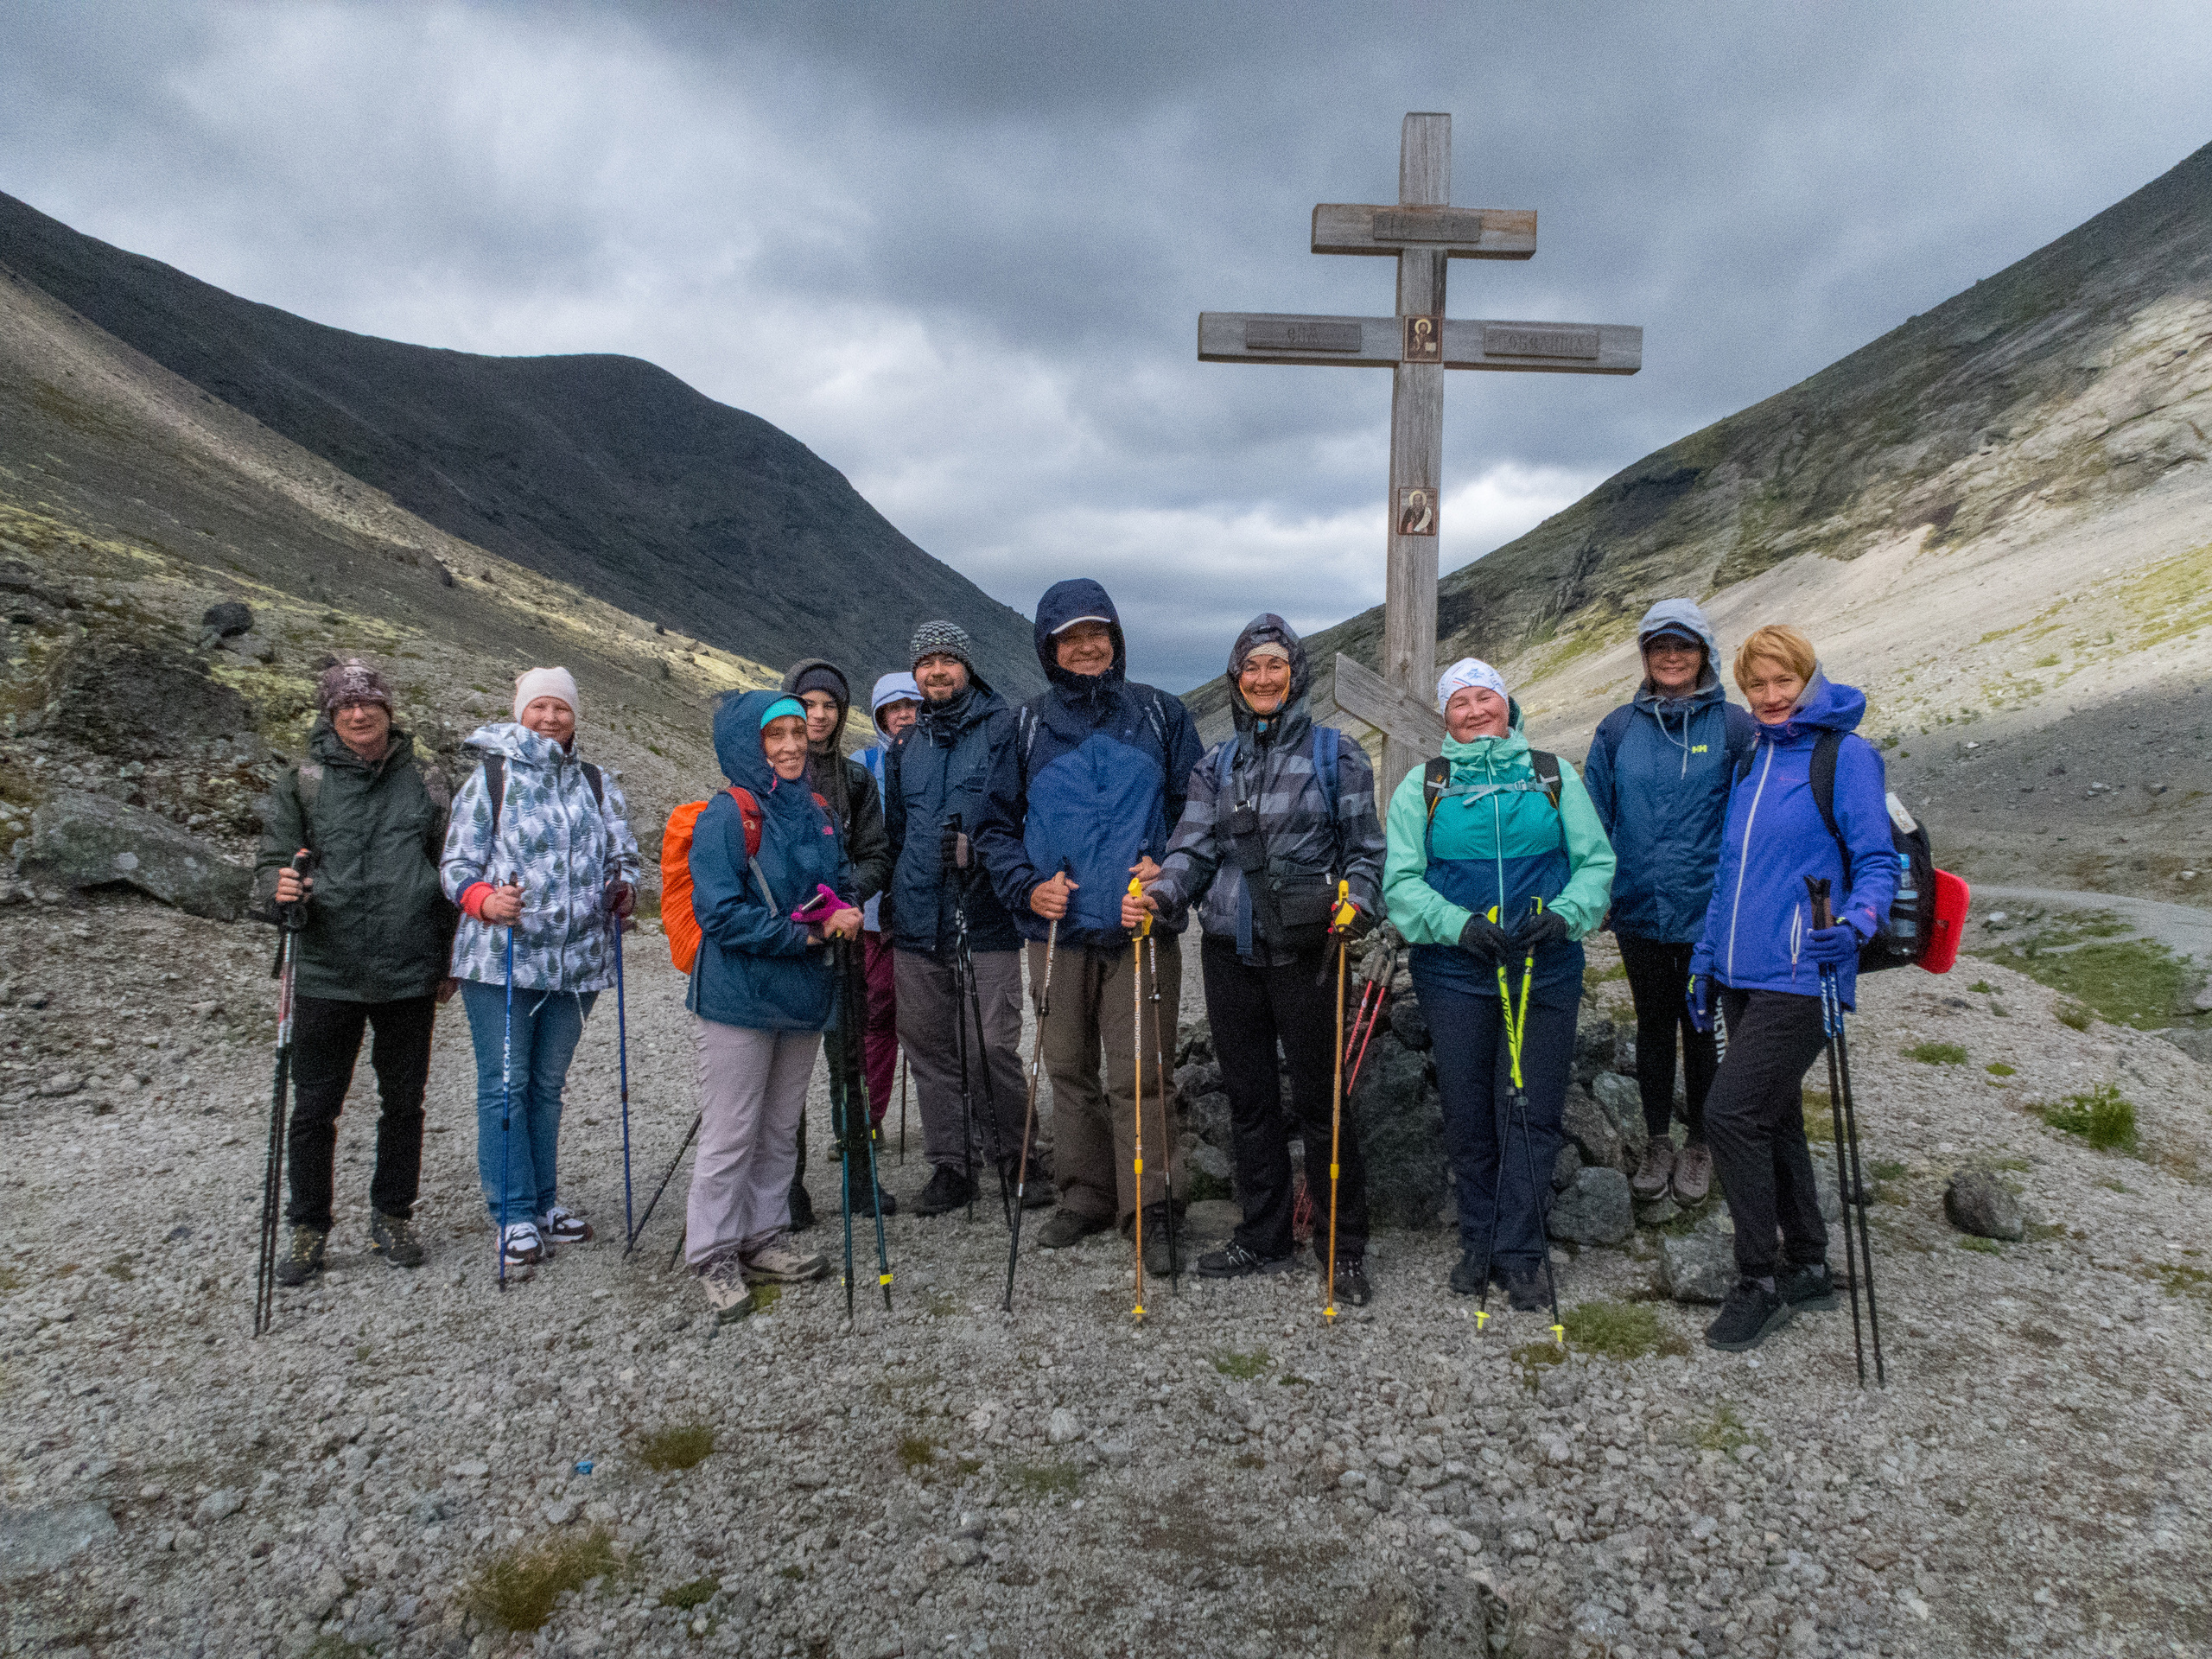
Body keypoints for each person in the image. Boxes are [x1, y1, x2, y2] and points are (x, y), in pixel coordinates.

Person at [1130, 615, 1384, 1300]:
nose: (1263, 679)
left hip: (1311, 952)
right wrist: (1162, 895)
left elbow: (1367, 852)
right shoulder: (1214, 766)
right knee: (1250, 1103)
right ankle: (1264, 1234)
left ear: (1294, 674)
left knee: (1323, 1103)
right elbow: (1191, 850)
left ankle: (1343, 1245)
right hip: (1228, 951)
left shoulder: (1339, 756)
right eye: (1251, 668)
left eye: (1275, 666)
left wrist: (1358, 899)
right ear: (1236, 679)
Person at [977, 579, 1204, 1275]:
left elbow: (1196, 811)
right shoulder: (1024, 727)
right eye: (1069, 637)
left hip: (1141, 928)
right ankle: (1086, 1195)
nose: (1085, 647)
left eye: (1095, 633)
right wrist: (1028, 886)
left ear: (1116, 638)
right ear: (1050, 648)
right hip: (1057, 933)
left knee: (1141, 1073)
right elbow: (994, 828)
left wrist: (1164, 867)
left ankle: (1152, 1205)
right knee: (1069, 1068)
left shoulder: (1163, 716)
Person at [1688, 625, 1896, 1353]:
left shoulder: (1845, 757)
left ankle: (1758, 1280)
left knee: (1729, 1114)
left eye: (1784, 682)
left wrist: (1860, 921)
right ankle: (1807, 1261)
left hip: (1806, 974)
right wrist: (1705, 962)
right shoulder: (1753, 760)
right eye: (1757, 686)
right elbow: (1729, 876)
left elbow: (1876, 860)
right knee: (1773, 1118)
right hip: (1742, 975)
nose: (1771, 697)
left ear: (1809, 680)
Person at [1382, 659, 1615, 1309]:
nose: (1476, 709)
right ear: (1445, 716)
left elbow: (1595, 863)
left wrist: (1565, 914)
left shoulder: (1552, 775)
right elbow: (1400, 882)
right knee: (1467, 1114)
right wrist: (1455, 926)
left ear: (1508, 705)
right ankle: (1480, 1242)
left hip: (1543, 969)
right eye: (1461, 702)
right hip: (1456, 974)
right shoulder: (1422, 787)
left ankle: (1520, 1251)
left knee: (1531, 1110)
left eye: (1487, 697)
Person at [256, 660, 457, 1286]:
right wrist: (277, 889)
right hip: (325, 965)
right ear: (330, 713)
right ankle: (308, 1226)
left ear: (388, 710)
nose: (358, 713)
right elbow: (269, 863)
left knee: (404, 1103)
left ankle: (393, 1215)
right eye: (345, 705)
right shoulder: (303, 782)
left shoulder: (427, 781)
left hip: (407, 968)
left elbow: (451, 869)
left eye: (369, 703)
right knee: (314, 1105)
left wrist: (450, 958)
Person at [442, 667, 641, 1271]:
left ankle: (544, 1203)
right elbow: (455, 866)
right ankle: (513, 1212)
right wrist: (483, 900)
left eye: (562, 709)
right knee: (506, 1086)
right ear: (520, 712)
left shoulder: (597, 783)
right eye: (541, 708)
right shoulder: (490, 779)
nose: (551, 719)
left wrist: (622, 889)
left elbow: (626, 857)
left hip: (577, 965)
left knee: (547, 1087)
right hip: (498, 960)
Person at [682, 690, 859, 1319]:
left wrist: (843, 906)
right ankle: (714, 1252)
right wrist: (806, 934)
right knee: (731, 1131)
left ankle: (763, 1235)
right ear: (746, 744)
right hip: (739, 996)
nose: (790, 745)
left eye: (795, 732)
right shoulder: (728, 814)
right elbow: (719, 913)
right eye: (773, 735)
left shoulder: (814, 808)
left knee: (780, 1126)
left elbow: (836, 879)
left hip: (800, 992)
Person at [1581, 600, 1756, 1207]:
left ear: (1704, 652)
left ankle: (1703, 1143)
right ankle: (1659, 1139)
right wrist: (1594, 888)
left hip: (1709, 911)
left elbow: (1749, 820)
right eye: (1660, 647)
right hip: (1638, 909)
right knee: (1654, 1023)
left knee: (1701, 1025)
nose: (1672, 656)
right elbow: (1592, 817)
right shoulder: (1617, 729)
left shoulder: (1736, 728)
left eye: (1684, 646)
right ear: (1646, 656)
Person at [880, 621, 1028, 1217]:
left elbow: (1024, 821)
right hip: (917, 920)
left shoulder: (1004, 731)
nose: (936, 670)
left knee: (990, 1045)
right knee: (929, 1048)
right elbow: (895, 836)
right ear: (915, 672)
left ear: (967, 665)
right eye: (926, 662)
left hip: (986, 915)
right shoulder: (906, 747)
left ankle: (1018, 1158)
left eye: (947, 659)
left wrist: (981, 853)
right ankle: (952, 1166)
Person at [779, 658, 896, 1226]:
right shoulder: (765, 777)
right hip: (785, 948)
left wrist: (849, 896)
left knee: (848, 1066)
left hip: (843, 944)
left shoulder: (855, 781)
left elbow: (877, 853)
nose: (819, 715)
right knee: (783, 1074)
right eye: (808, 705)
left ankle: (859, 1179)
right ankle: (786, 1190)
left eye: (829, 705)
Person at [860, 673, 921, 1128]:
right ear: (880, 715)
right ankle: (869, 1117)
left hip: (922, 912)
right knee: (878, 1014)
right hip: (872, 914)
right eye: (892, 707)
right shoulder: (860, 765)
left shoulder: (941, 758)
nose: (903, 714)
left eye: (911, 704)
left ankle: (951, 1123)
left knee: (927, 1020)